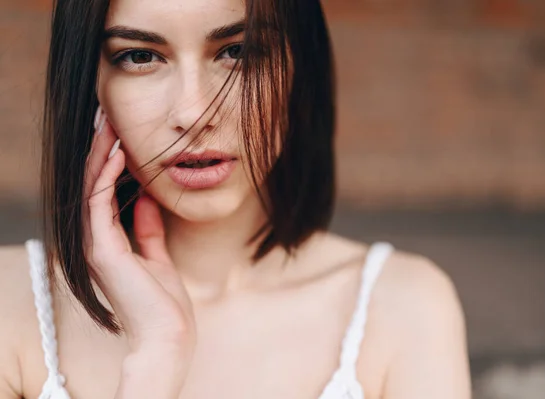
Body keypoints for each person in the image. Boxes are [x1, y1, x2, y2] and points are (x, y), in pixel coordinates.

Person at [0, 0, 471, 397]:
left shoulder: (404, 306)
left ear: (296, 67)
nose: (194, 112)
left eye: (238, 51)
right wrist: (154, 364)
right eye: (141, 56)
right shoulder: (10, 302)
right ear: (92, 84)